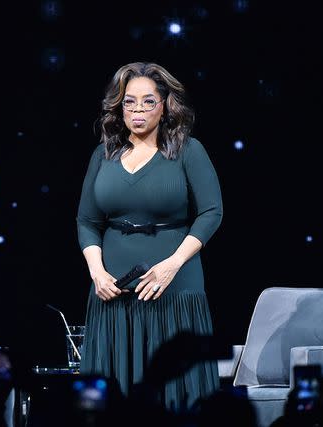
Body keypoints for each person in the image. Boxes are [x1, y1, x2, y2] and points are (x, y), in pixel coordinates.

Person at [76, 62, 222, 410]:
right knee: (114, 398)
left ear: (164, 105)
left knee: (175, 394)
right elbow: (86, 220)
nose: (137, 111)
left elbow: (211, 212)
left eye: (147, 101)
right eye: (129, 102)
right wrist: (97, 271)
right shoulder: (104, 154)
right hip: (112, 294)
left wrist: (171, 265)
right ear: (119, 106)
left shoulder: (188, 151)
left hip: (174, 290)